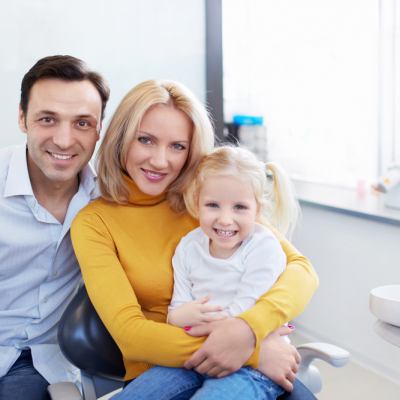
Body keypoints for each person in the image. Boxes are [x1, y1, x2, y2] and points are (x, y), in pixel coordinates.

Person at [71, 79, 319, 399]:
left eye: (177, 146)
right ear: (121, 139)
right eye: (145, 140)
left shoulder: (206, 201)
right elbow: (130, 334)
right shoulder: (95, 223)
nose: (161, 161)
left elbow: (301, 270)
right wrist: (251, 351)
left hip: (248, 362)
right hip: (162, 368)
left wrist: (249, 329)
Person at [114, 145, 302, 400]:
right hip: (194, 357)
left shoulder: (264, 247)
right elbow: (175, 315)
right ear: (196, 204)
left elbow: (244, 318)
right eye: (213, 205)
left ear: (257, 210)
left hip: (254, 366)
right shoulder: (189, 247)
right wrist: (184, 318)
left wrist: (193, 321)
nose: (225, 219)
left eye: (239, 207)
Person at [0, 55, 109, 400]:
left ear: (99, 129)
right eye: (48, 119)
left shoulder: (109, 200)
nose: (64, 140)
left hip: (39, 363)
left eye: (82, 123)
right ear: (22, 118)